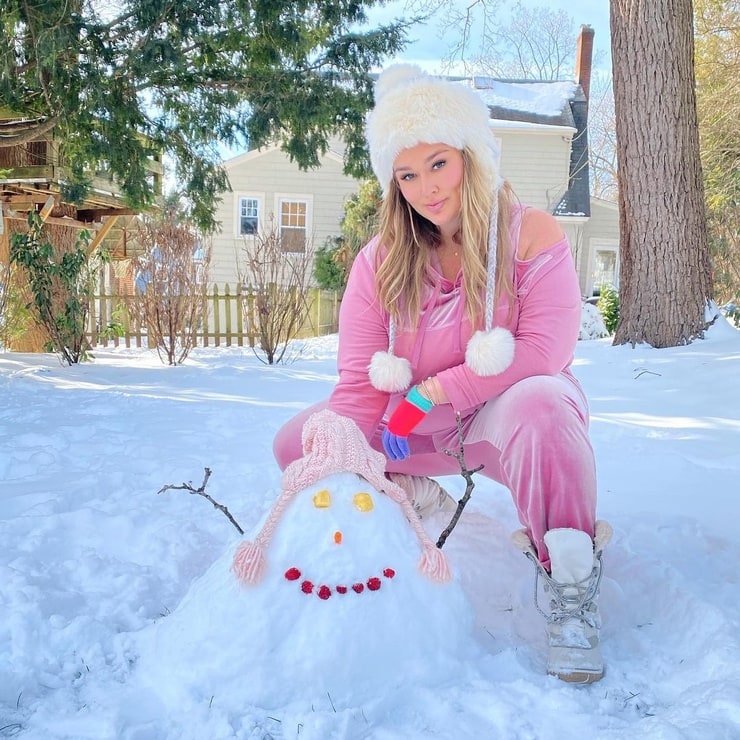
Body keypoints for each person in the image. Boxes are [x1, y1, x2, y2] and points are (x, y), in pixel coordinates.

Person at [273, 64, 611, 683]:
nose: (426, 188)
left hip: (496, 426)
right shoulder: (378, 262)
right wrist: (344, 446)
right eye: (407, 174)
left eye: (438, 164)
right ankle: (412, 490)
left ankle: (570, 579)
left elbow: (544, 350)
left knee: (543, 401)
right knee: (304, 439)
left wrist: (431, 391)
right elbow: (356, 384)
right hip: (414, 438)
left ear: (469, 156)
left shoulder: (528, 232)